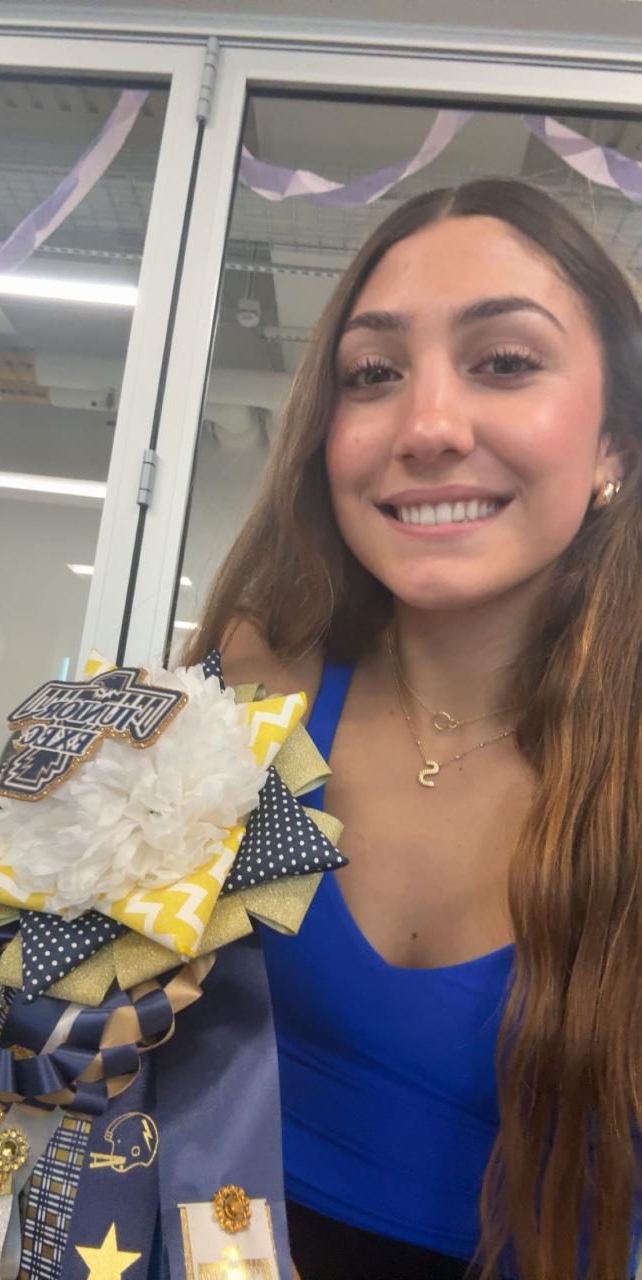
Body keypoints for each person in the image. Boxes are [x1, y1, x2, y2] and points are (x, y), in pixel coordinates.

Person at [184, 178, 642, 1280]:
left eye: (506, 361)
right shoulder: (253, 691)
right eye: (374, 375)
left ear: (614, 446)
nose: (427, 427)